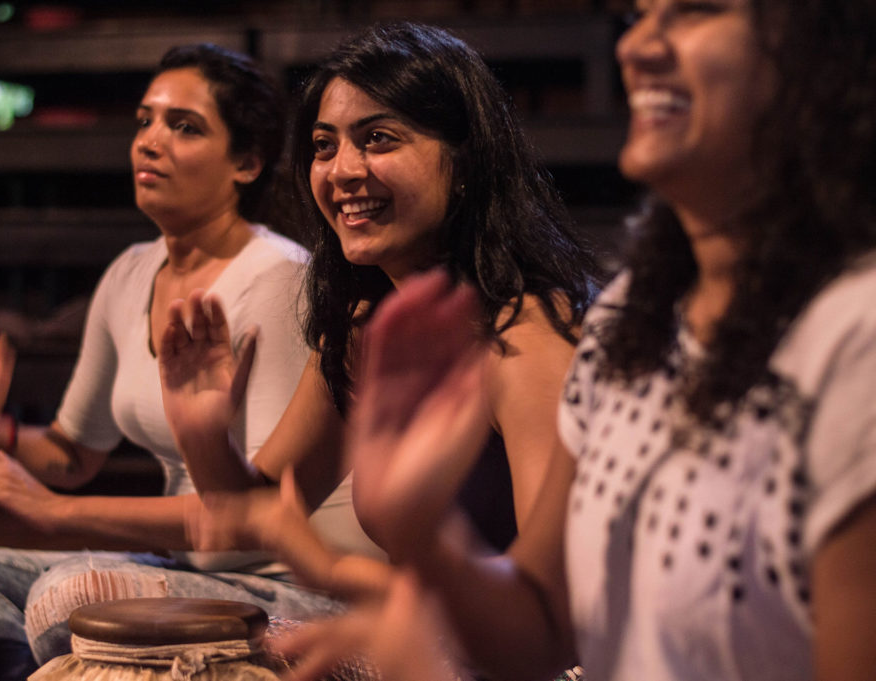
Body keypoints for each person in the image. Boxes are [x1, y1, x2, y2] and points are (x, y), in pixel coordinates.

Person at [278, 1, 876, 680]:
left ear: (819, 53)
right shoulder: (633, 315)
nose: (638, 45)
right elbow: (546, 630)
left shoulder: (856, 338)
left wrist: (419, 661)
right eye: (641, 15)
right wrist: (422, 530)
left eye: (694, 11)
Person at [0, 43, 372, 681]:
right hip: (183, 571)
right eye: (144, 121)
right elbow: (72, 455)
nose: (149, 141)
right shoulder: (131, 272)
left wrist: (58, 512)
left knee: (72, 595)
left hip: (287, 585)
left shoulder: (279, 281)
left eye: (183, 126)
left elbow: (254, 522)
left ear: (246, 162)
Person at [159, 21, 600, 607]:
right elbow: (259, 515)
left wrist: (329, 569)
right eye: (324, 145)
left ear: (466, 162)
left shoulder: (525, 336)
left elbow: (556, 602)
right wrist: (206, 437)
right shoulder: (362, 327)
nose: (342, 170)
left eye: (379, 139)